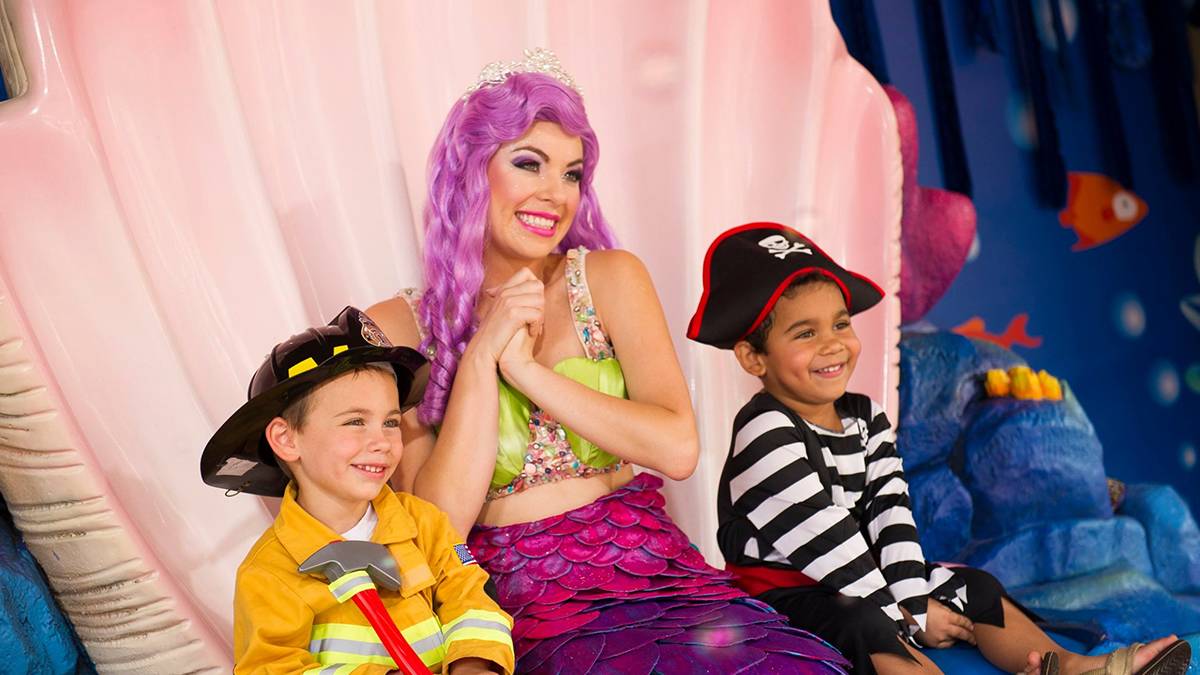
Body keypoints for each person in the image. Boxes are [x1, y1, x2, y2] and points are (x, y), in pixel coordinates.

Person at [367, 50, 848, 674]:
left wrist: (530, 373)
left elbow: (677, 449)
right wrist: (483, 356)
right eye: (528, 163)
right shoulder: (398, 328)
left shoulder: (608, 277)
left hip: (658, 573)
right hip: (524, 604)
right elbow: (439, 528)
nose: (555, 194)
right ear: (469, 170)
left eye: (571, 174)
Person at [686, 222, 1192, 675]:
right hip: (785, 589)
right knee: (862, 621)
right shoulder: (764, 430)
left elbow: (890, 513)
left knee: (974, 585)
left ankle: (1070, 669)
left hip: (861, 572)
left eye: (841, 323)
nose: (834, 344)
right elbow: (831, 542)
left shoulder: (865, 417)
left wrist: (916, 594)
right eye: (805, 333)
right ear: (754, 357)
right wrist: (912, 617)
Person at [200, 307, 515, 675]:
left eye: (391, 422)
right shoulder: (269, 574)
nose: (381, 442)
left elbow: (471, 597)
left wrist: (473, 665)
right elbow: (272, 668)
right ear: (286, 440)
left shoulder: (424, 523)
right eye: (355, 422)